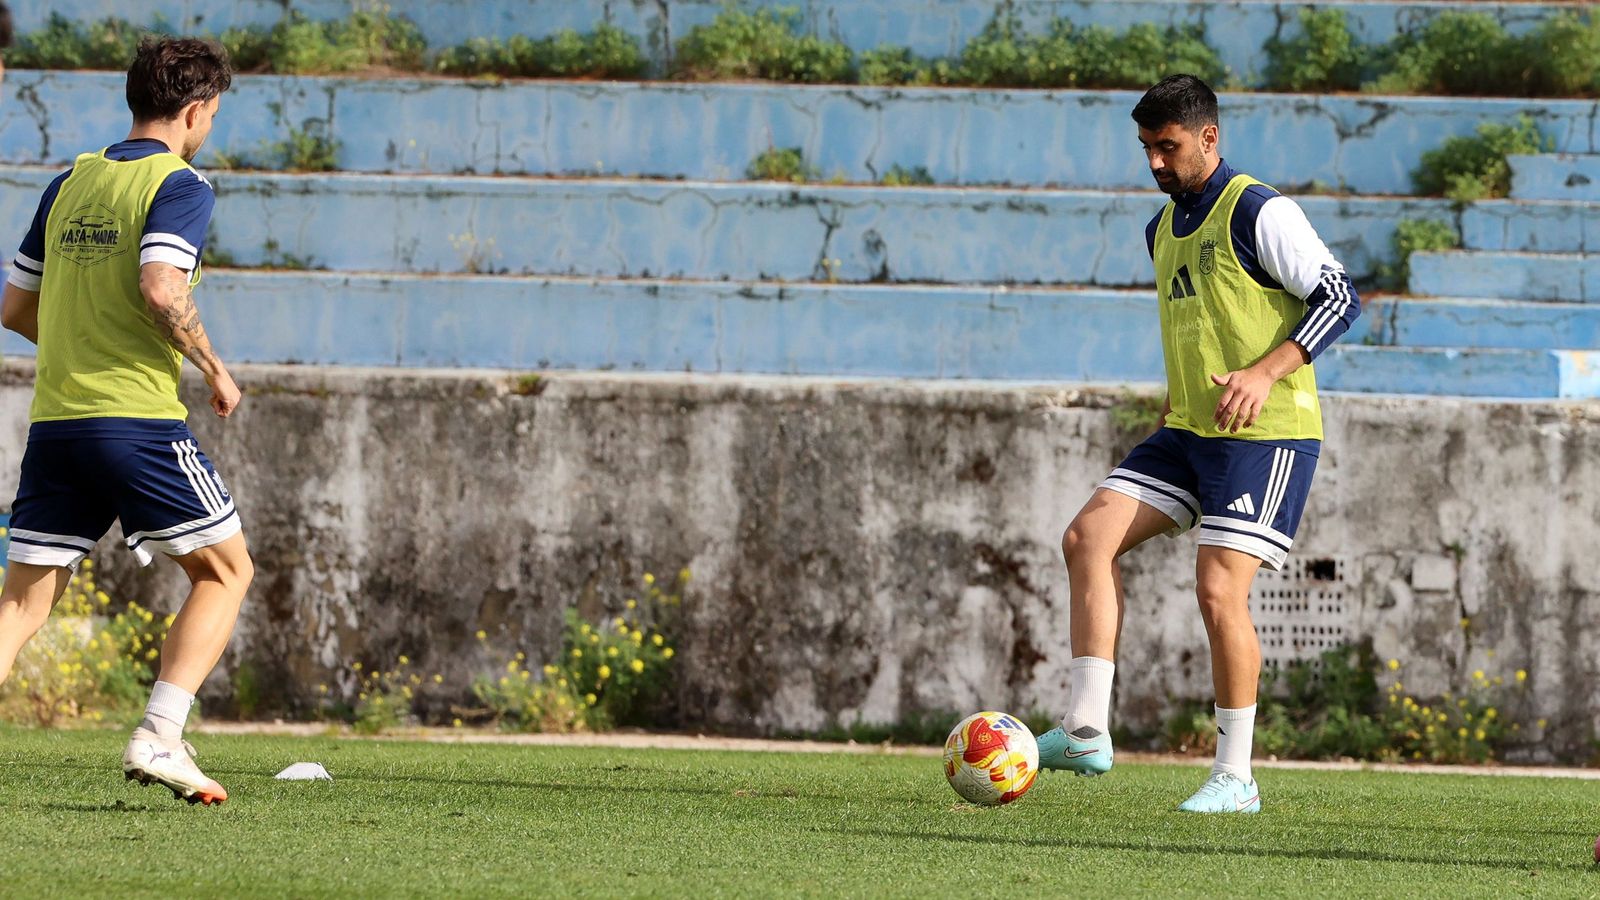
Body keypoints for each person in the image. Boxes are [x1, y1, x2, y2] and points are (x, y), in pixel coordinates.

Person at [1035, 74, 1361, 813]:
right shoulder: (1161, 229)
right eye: (1146, 147)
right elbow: (1199, 324)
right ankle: (1086, 728)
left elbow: (1339, 296)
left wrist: (1263, 373)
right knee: (1087, 537)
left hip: (1266, 436)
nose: (1154, 162)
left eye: (1168, 146)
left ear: (1209, 137)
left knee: (1218, 591)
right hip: (1187, 429)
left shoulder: (1258, 209)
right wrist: (1177, 395)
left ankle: (1236, 777)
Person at [0, 36, 250, 806]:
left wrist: (83, 340)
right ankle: (160, 735)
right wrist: (213, 367)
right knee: (226, 571)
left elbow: (14, 308)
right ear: (197, 109)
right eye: (212, 114)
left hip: (57, 425)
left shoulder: (70, 181)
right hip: (135, 423)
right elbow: (160, 286)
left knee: (21, 602)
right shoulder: (181, 183)